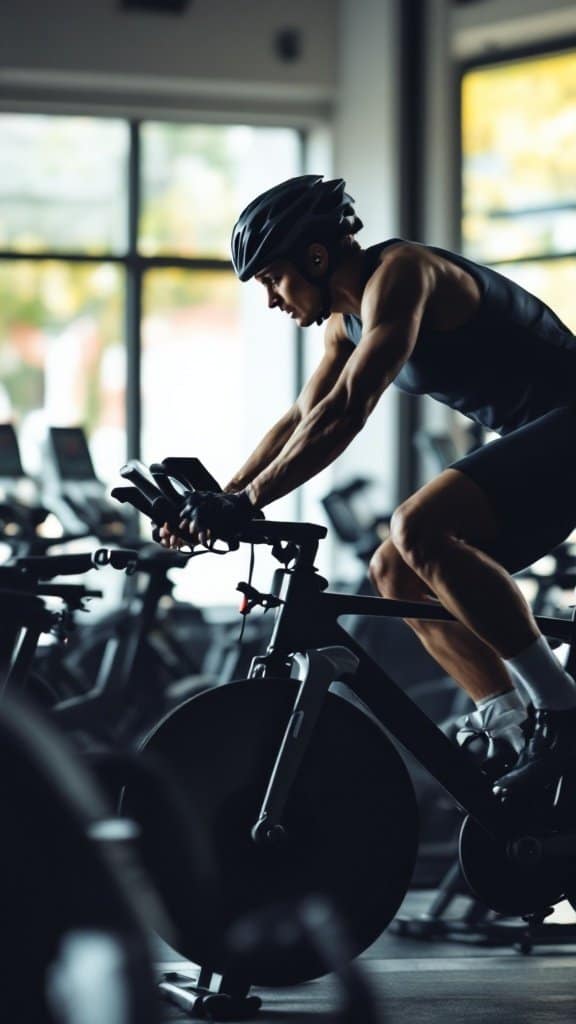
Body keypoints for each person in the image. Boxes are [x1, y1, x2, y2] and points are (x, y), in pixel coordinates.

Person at [160, 174, 576, 792]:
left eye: (274, 278)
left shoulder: (404, 273)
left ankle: (560, 713)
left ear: (317, 256)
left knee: (419, 527)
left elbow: (347, 408)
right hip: (545, 447)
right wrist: (219, 497)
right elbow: (300, 418)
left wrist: (247, 502)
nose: (272, 299)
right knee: (394, 572)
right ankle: (511, 720)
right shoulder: (343, 324)